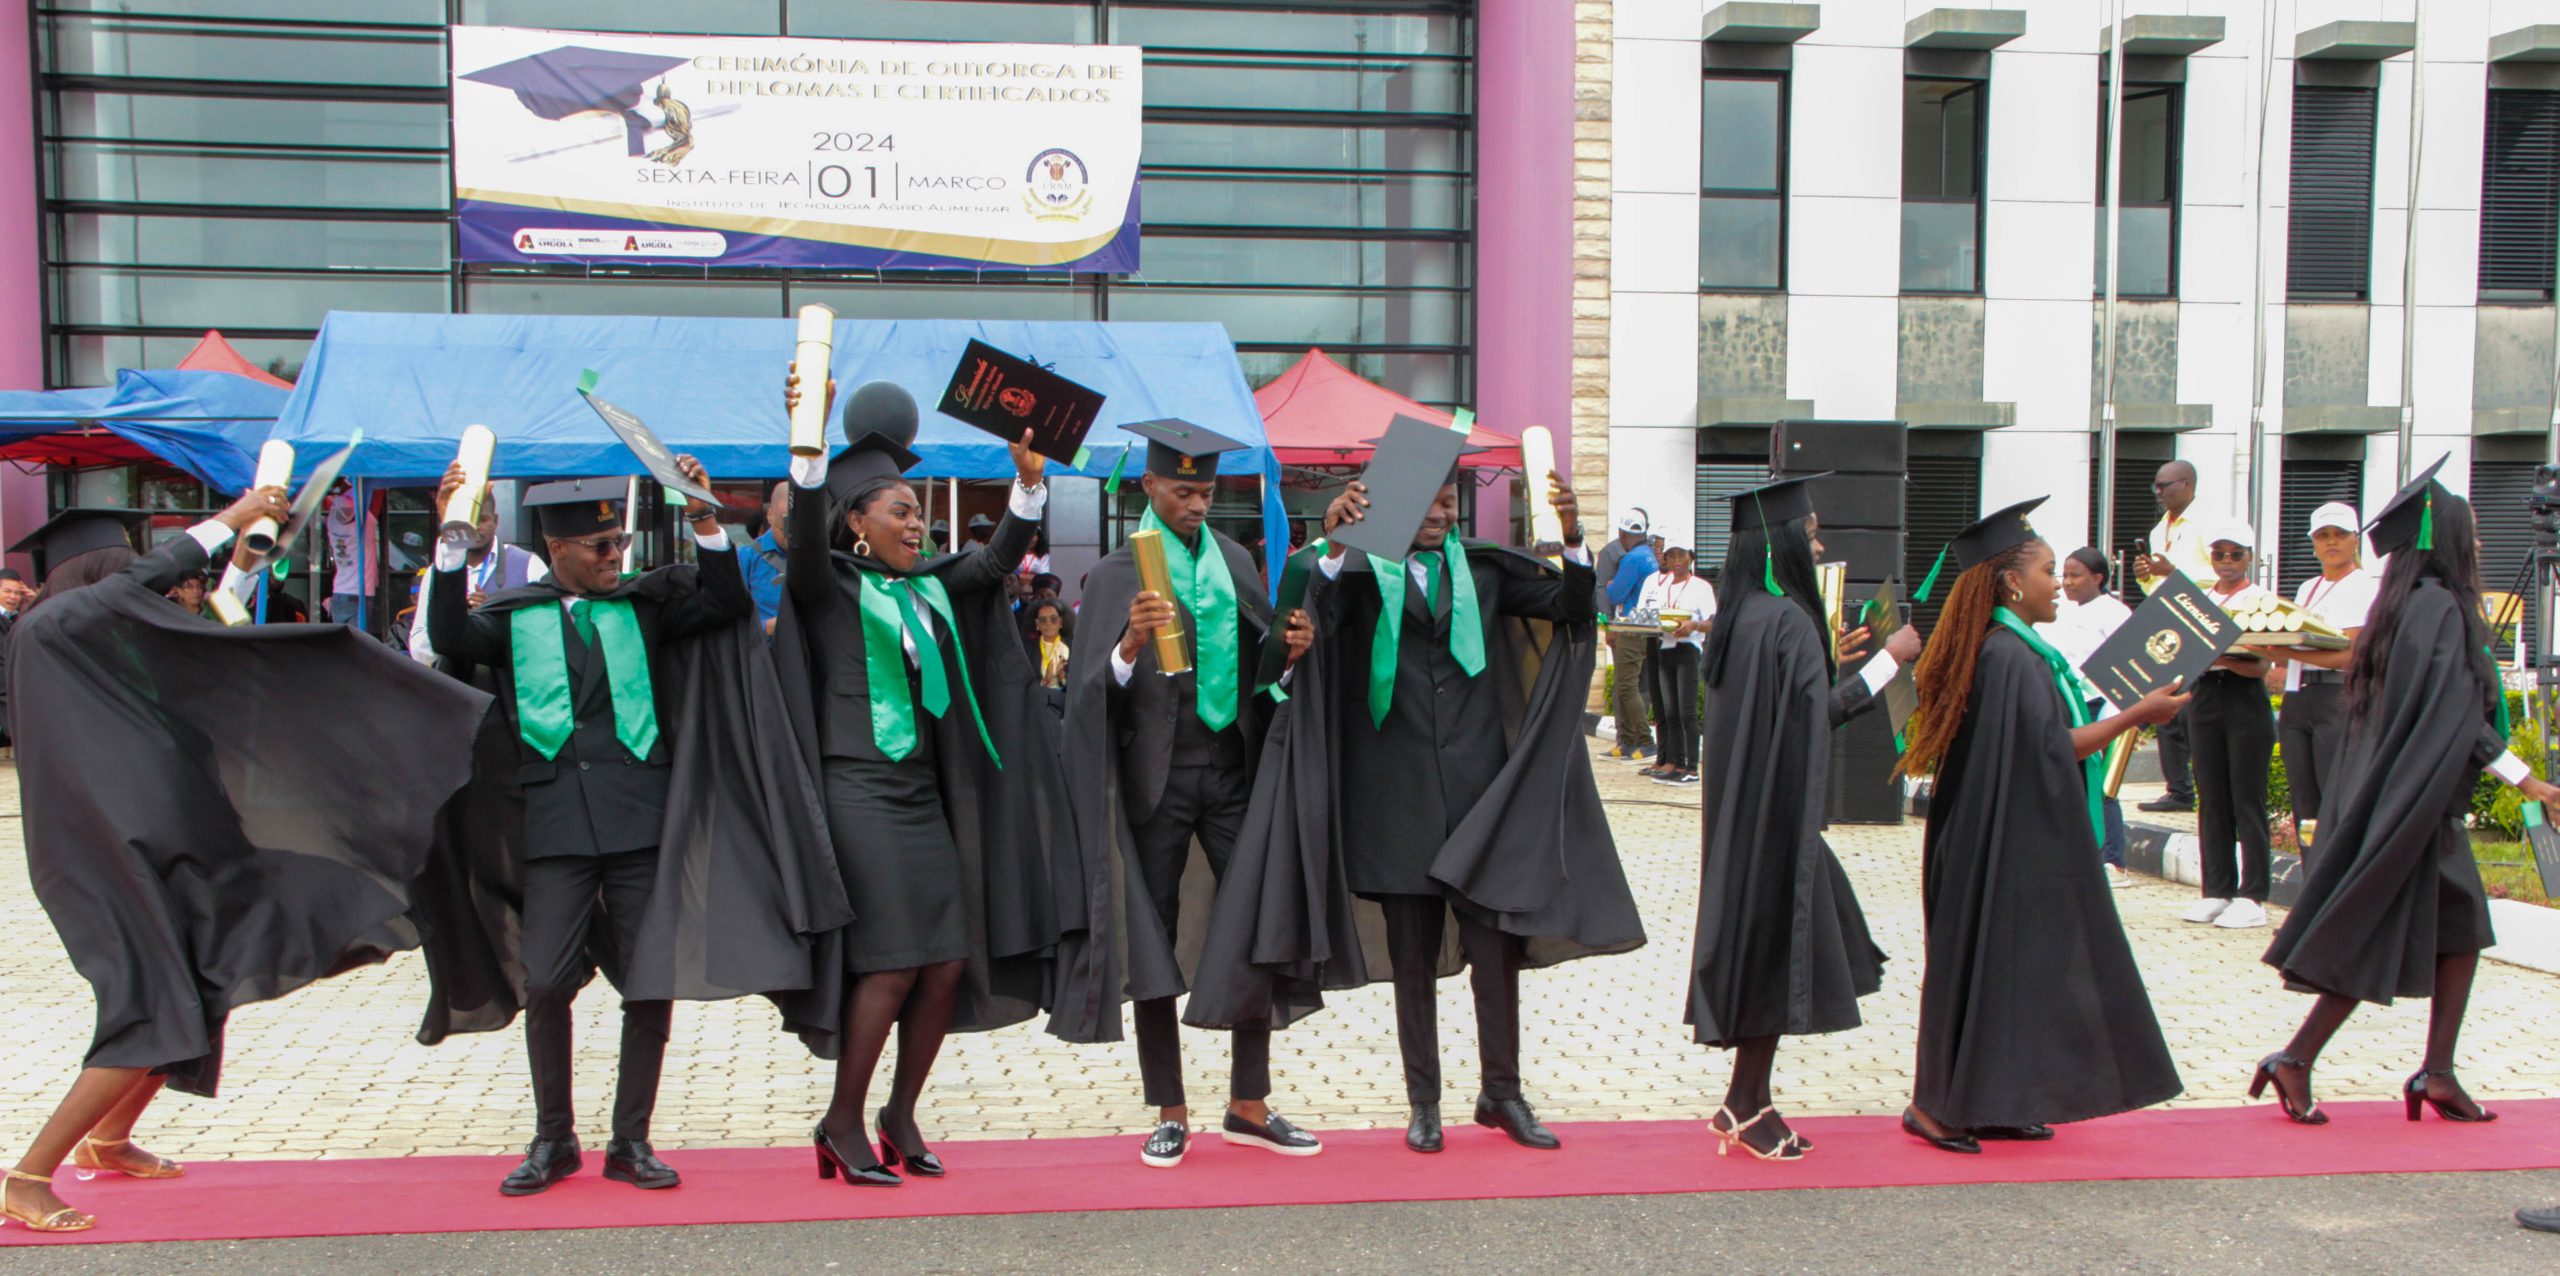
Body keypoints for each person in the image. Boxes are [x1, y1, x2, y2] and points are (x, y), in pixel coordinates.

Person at [1, 502, 489, 1233]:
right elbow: (146, 580)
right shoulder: (52, 629)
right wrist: (235, 516)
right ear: (98, 575)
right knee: (150, 1006)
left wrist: (241, 571)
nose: (162, 594)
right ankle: (27, 1178)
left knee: (206, 976)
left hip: (171, 846)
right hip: (110, 861)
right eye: (134, 577)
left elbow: (204, 655)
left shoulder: (93, 644)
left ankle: (110, 1138)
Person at [1215, 461, 1640, 1156]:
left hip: (1482, 804)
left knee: (1495, 955)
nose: (1442, 515)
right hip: (1395, 801)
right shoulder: (1357, 576)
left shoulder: (1485, 571)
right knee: (1412, 963)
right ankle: (1425, 1104)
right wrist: (1332, 543)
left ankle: (1501, 1093)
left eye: (1450, 503)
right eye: (1429, 502)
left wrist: (1572, 536)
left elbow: (1570, 607)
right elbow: (1306, 620)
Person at [423, 460, 800, 1198]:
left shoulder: (644, 607)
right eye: (599, 546)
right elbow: (448, 631)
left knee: (648, 982)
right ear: (557, 549)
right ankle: (553, 1138)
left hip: (640, 822)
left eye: (618, 542)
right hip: (556, 827)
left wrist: (702, 518)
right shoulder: (516, 617)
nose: (613, 556)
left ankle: (631, 1140)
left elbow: (725, 601)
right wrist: (450, 539)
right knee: (547, 981)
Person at [770, 376, 1066, 1187]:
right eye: (898, 513)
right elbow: (803, 539)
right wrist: (807, 439)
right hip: (856, 791)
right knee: (892, 963)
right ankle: (840, 1121)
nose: (915, 524)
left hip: (920, 794)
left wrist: (1029, 486)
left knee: (944, 964)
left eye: (919, 515)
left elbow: (995, 560)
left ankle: (898, 1115)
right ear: (856, 524)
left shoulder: (928, 588)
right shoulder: (826, 585)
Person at [1046, 420, 1323, 1169]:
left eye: (1206, 491)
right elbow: (1087, 698)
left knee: (1257, 924)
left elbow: (1262, 667)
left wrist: (1290, 657)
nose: (1198, 504)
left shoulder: (1232, 560)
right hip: (1154, 782)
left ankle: (1249, 1103)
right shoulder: (1118, 573)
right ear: (1149, 486)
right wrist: (1128, 647)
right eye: (1183, 491)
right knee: (1153, 941)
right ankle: (1170, 1109)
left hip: (1231, 771)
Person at [2255, 460, 2560, 1128]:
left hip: (2406, 795)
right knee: (2388, 926)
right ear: (2442, 538)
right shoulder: (2440, 609)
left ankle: (2432, 1072)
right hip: (2420, 806)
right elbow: (2459, 719)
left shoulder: (2404, 606)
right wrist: (2527, 778)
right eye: (2469, 532)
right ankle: (2302, 1058)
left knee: (2459, 928)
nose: (2477, 543)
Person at [1895, 497, 2187, 1153]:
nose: (2059, 583)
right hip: (1999, 842)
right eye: (2050, 571)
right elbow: (2054, 746)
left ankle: (1999, 1099)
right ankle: (1934, 1106)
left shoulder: (2014, 649)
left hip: (2006, 836)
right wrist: (2136, 713)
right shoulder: (2010, 657)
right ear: (2011, 581)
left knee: (2015, 969)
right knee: (1980, 967)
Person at [1688, 479, 1922, 1161]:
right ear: (1781, 543)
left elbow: (1781, 701)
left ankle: (1746, 1100)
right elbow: (1817, 717)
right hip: (1781, 820)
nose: (1819, 547)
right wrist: (1888, 662)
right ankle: (1744, 1107)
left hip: (1742, 814)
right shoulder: (1789, 618)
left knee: (1787, 949)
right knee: (1781, 955)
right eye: (1811, 534)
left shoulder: (1740, 616)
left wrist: (1824, 660)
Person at [2180, 523, 2278, 929]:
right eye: (2219, 553)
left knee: (2247, 798)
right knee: (2211, 797)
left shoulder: (2261, 600)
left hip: (2243, 697)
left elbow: (2261, 664)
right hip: (2205, 695)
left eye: (2235, 554)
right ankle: (2216, 890)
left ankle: (2252, 895)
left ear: (2249, 556)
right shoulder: (2200, 599)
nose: (2227, 561)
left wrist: (2218, 655)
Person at [2264, 502, 2376, 852]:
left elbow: (2351, 653)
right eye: (2323, 535)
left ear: (2355, 539)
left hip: (2336, 696)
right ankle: (2311, 872)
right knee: (2305, 806)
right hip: (2299, 698)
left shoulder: (2364, 586)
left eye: (2340, 534)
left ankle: (2340, 875)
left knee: (2336, 798)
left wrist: (2290, 653)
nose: (2331, 542)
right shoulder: (2307, 588)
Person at [2036, 547, 2137, 886]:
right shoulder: (2059, 611)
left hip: (2100, 706)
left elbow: (2127, 665)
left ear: (2097, 578)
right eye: (2063, 575)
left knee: (2100, 783)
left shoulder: (2115, 613)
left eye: (2075, 576)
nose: (2066, 582)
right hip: (2065, 703)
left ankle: (2113, 860)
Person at [2135, 460, 2213, 814]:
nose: (2158, 492)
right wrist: (2145, 576)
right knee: (2166, 711)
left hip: (2199, 624)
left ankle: (2205, 788)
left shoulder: (2208, 523)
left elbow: (2222, 573)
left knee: (2192, 713)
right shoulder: (2158, 531)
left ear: (2187, 484)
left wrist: (2174, 571)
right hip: (2167, 626)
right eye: (2155, 486)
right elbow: (2155, 586)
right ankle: (2178, 790)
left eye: (2164, 485)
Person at [408, 494, 545, 665]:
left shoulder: (529, 565)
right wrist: (452, 619)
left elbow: (545, 635)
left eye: (483, 519)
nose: (475, 527)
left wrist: (492, 619)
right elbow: (419, 651)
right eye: (468, 521)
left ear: (496, 520)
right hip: (454, 678)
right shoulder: (436, 573)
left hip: (508, 677)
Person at [1635, 544, 1717, 786]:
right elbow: (1648, 615)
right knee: (1670, 712)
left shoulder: (1701, 586)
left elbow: (1713, 622)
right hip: (1665, 647)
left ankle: (1692, 768)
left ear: (1691, 557)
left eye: (1681, 555)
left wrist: (1694, 626)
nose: (1677, 560)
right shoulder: (1662, 587)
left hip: (1688, 649)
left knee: (1687, 712)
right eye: (1671, 556)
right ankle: (1677, 763)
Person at [1597, 510, 1655, 761]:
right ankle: (1629, 742)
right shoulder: (1649, 555)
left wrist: (1612, 586)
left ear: (1622, 533)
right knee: (1635, 686)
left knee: (1626, 686)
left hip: (1631, 626)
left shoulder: (1631, 558)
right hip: (1646, 626)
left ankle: (1645, 741)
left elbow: (1615, 594)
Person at [321, 480, 379, 627]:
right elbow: (379, 485)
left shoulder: (332, 522)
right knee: (358, 639)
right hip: (359, 594)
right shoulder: (364, 525)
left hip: (339, 593)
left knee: (342, 639)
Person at [738, 479, 791, 637]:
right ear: (770, 515)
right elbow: (732, 618)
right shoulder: (746, 558)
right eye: (783, 529)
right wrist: (765, 628)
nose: (790, 538)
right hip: (765, 648)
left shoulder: (820, 557)